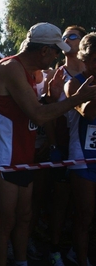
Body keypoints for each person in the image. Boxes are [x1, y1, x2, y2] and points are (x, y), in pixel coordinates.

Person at [0, 22, 96, 266]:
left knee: (24, 217)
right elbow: (39, 115)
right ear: (44, 51)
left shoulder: (25, 72)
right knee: (5, 222)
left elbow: (32, 108)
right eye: (55, 51)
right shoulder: (11, 67)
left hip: (22, 156)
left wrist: (51, 98)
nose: (58, 56)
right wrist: (78, 98)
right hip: (4, 158)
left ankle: (21, 262)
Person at [42, 25, 87, 266]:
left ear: (82, 42)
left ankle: (77, 250)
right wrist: (52, 145)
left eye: (72, 36)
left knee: (83, 208)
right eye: (64, 37)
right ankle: (55, 248)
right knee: (60, 201)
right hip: (63, 145)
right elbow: (48, 115)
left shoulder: (91, 72)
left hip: (88, 149)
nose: (67, 40)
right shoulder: (55, 75)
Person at [64, 32, 96, 266]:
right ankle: (80, 258)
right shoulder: (73, 83)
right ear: (87, 59)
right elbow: (88, 111)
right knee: (84, 215)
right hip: (82, 158)